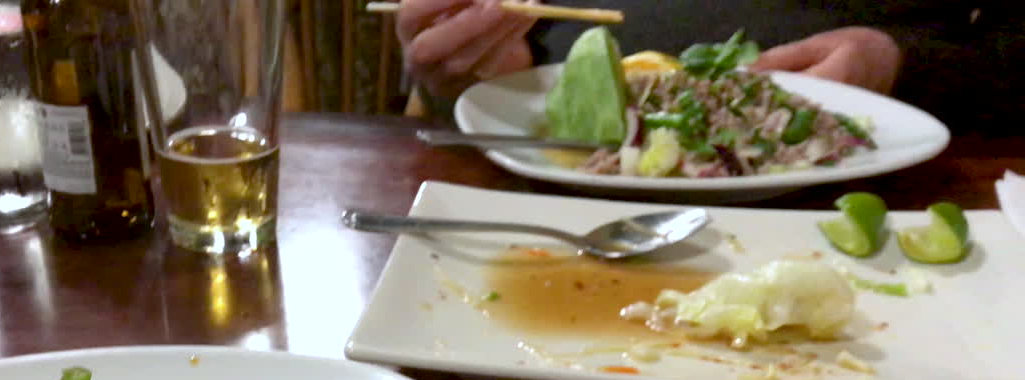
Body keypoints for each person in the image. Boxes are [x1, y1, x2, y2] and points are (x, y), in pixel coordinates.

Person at [396, 0, 1022, 134]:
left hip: (880, 180)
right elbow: (440, 71)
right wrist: (466, 69)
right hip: (541, 177)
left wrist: (903, 62)